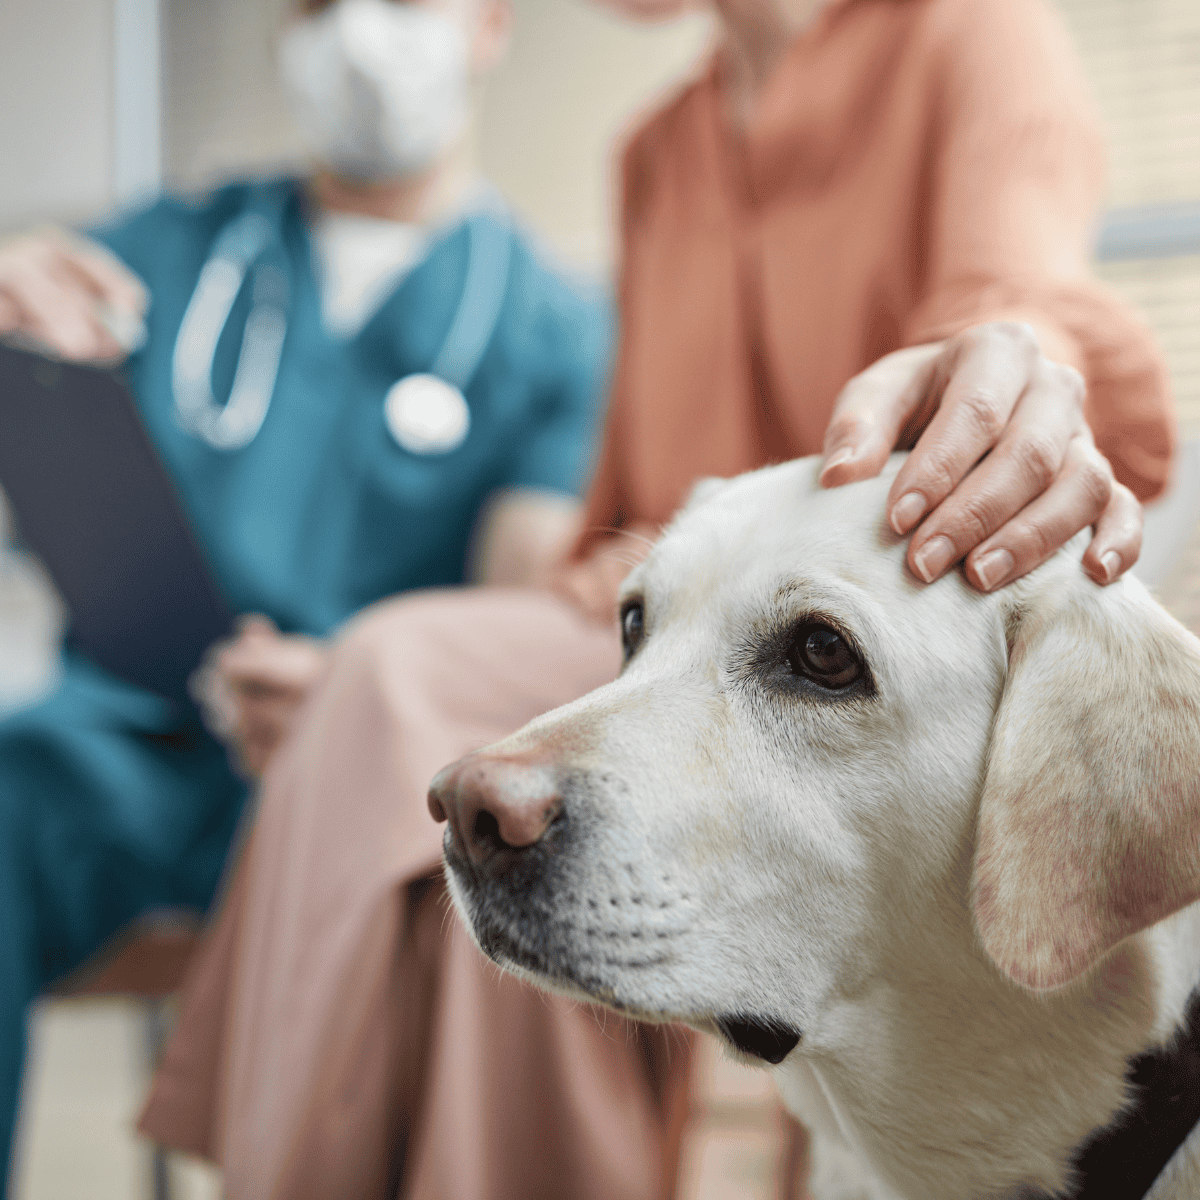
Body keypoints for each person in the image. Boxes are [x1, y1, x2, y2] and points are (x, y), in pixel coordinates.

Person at [140, 0, 1176, 1195]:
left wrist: (1010, 363)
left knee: (395, 684)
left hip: (869, 633)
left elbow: (1018, 288)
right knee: (388, 698)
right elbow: (624, 528)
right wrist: (410, 674)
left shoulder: (967, 36)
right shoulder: (655, 150)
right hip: (651, 629)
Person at [0, 0, 620, 1188]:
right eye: (317, 6)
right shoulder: (174, 250)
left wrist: (349, 699)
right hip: (130, 755)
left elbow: (508, 617)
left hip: (362, 782)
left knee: (437, 925)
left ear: (488, 23)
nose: (357, 38)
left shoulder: (553, 330)